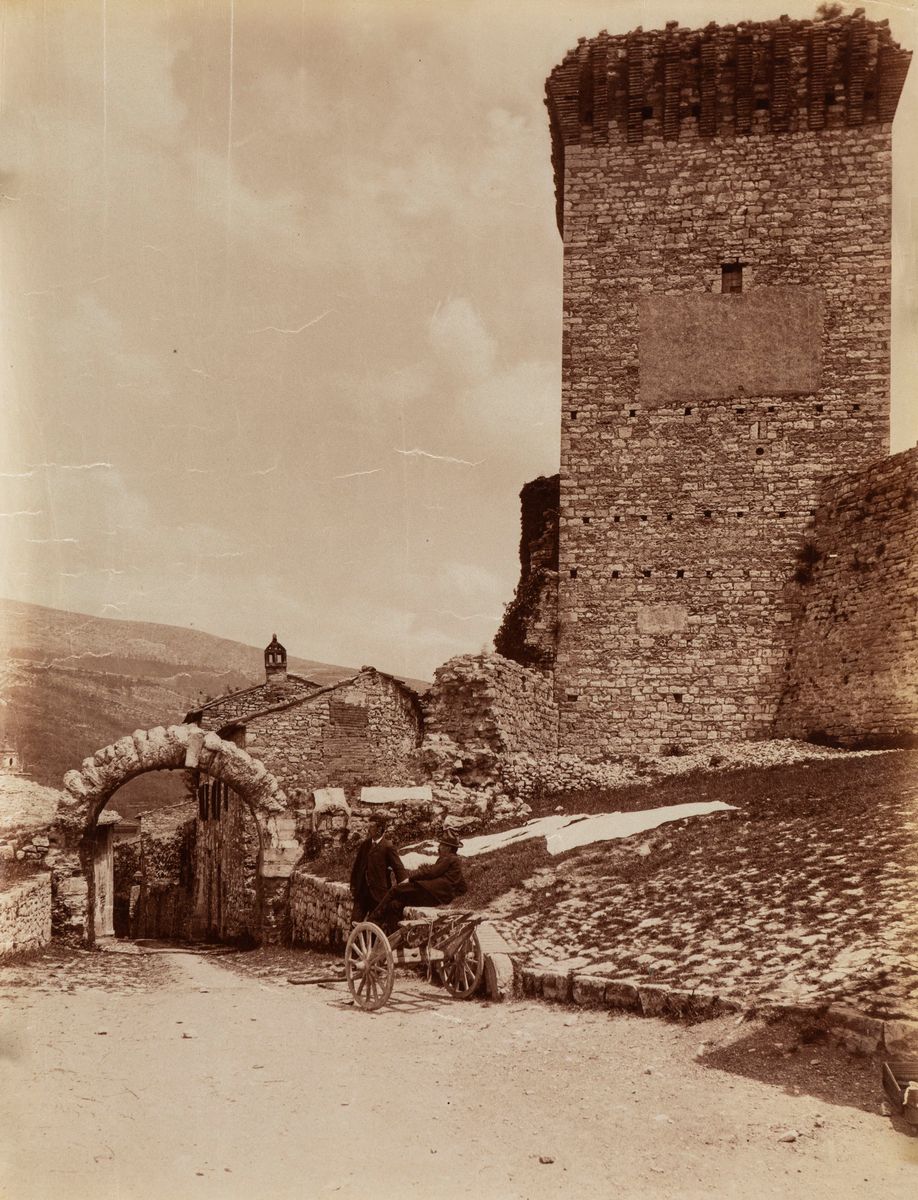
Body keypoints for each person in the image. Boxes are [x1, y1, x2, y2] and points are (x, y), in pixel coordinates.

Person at [368, 831, 467, 929]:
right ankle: (395, 932)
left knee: (395, 890)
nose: (438, 848)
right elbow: (463, 887)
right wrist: (450, 895)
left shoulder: (448, 858)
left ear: (448, 848)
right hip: (436, 897)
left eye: (441, 845)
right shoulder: (455, 861)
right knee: (395, 905)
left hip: (430, 892)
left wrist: (410, 879)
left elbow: (432, 873)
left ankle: (373, 919)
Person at [349, 815, 407, 923]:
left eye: (371, 826)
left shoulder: (388, 847)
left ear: (380, 829)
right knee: (354, 923)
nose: (368, 829)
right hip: (362, 894)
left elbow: (399, 870)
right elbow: (357, 868)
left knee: (374, 926)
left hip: (378, 895)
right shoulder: (365, 845)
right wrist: (353, 886)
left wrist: (404, 890)